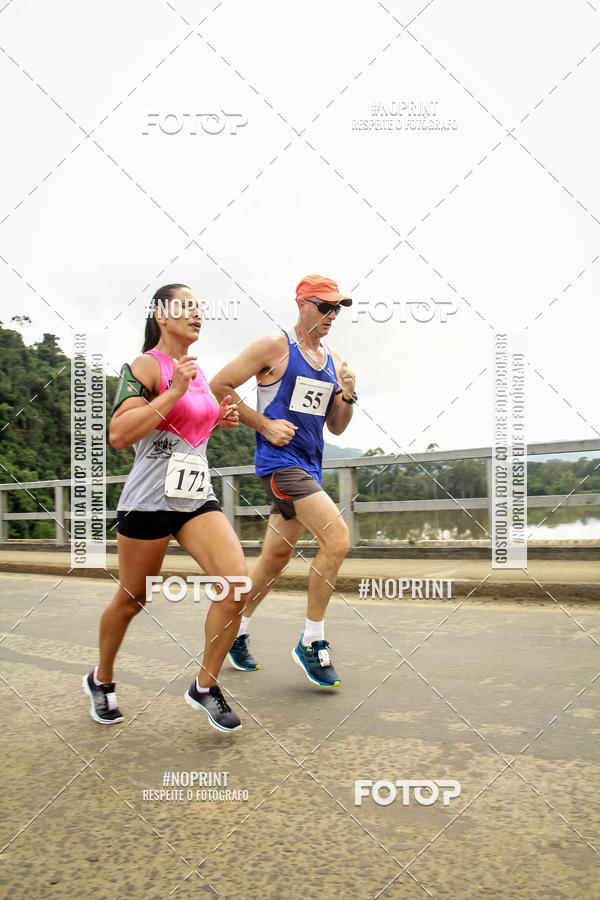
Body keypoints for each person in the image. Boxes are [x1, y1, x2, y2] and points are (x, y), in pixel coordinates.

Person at [82, 284, 247, 733]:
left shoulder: (196, 369)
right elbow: (120, 434)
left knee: (236, 586)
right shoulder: (145, 366)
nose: (198, 315)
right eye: (187, 307)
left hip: (194, 499)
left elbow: (188, 429)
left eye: (201, 308)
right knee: (132, 599)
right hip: (148, 502)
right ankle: (101, 679)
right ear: (161, 314)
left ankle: (206, 686)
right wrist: (173, 391)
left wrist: (220, 417)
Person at [210, 274, 357, 687]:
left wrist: (346, 394)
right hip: (280, 464)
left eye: (337, 309)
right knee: (338, 539)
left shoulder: (332, 359)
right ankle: (312, 641)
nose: (331, 315)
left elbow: (337, 427)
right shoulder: (275, 346)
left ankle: (233, 633)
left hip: (309, 468)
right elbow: (218, 384)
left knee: (273, 561)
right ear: (301, 303)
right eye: (324, 306)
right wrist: (264, 425)